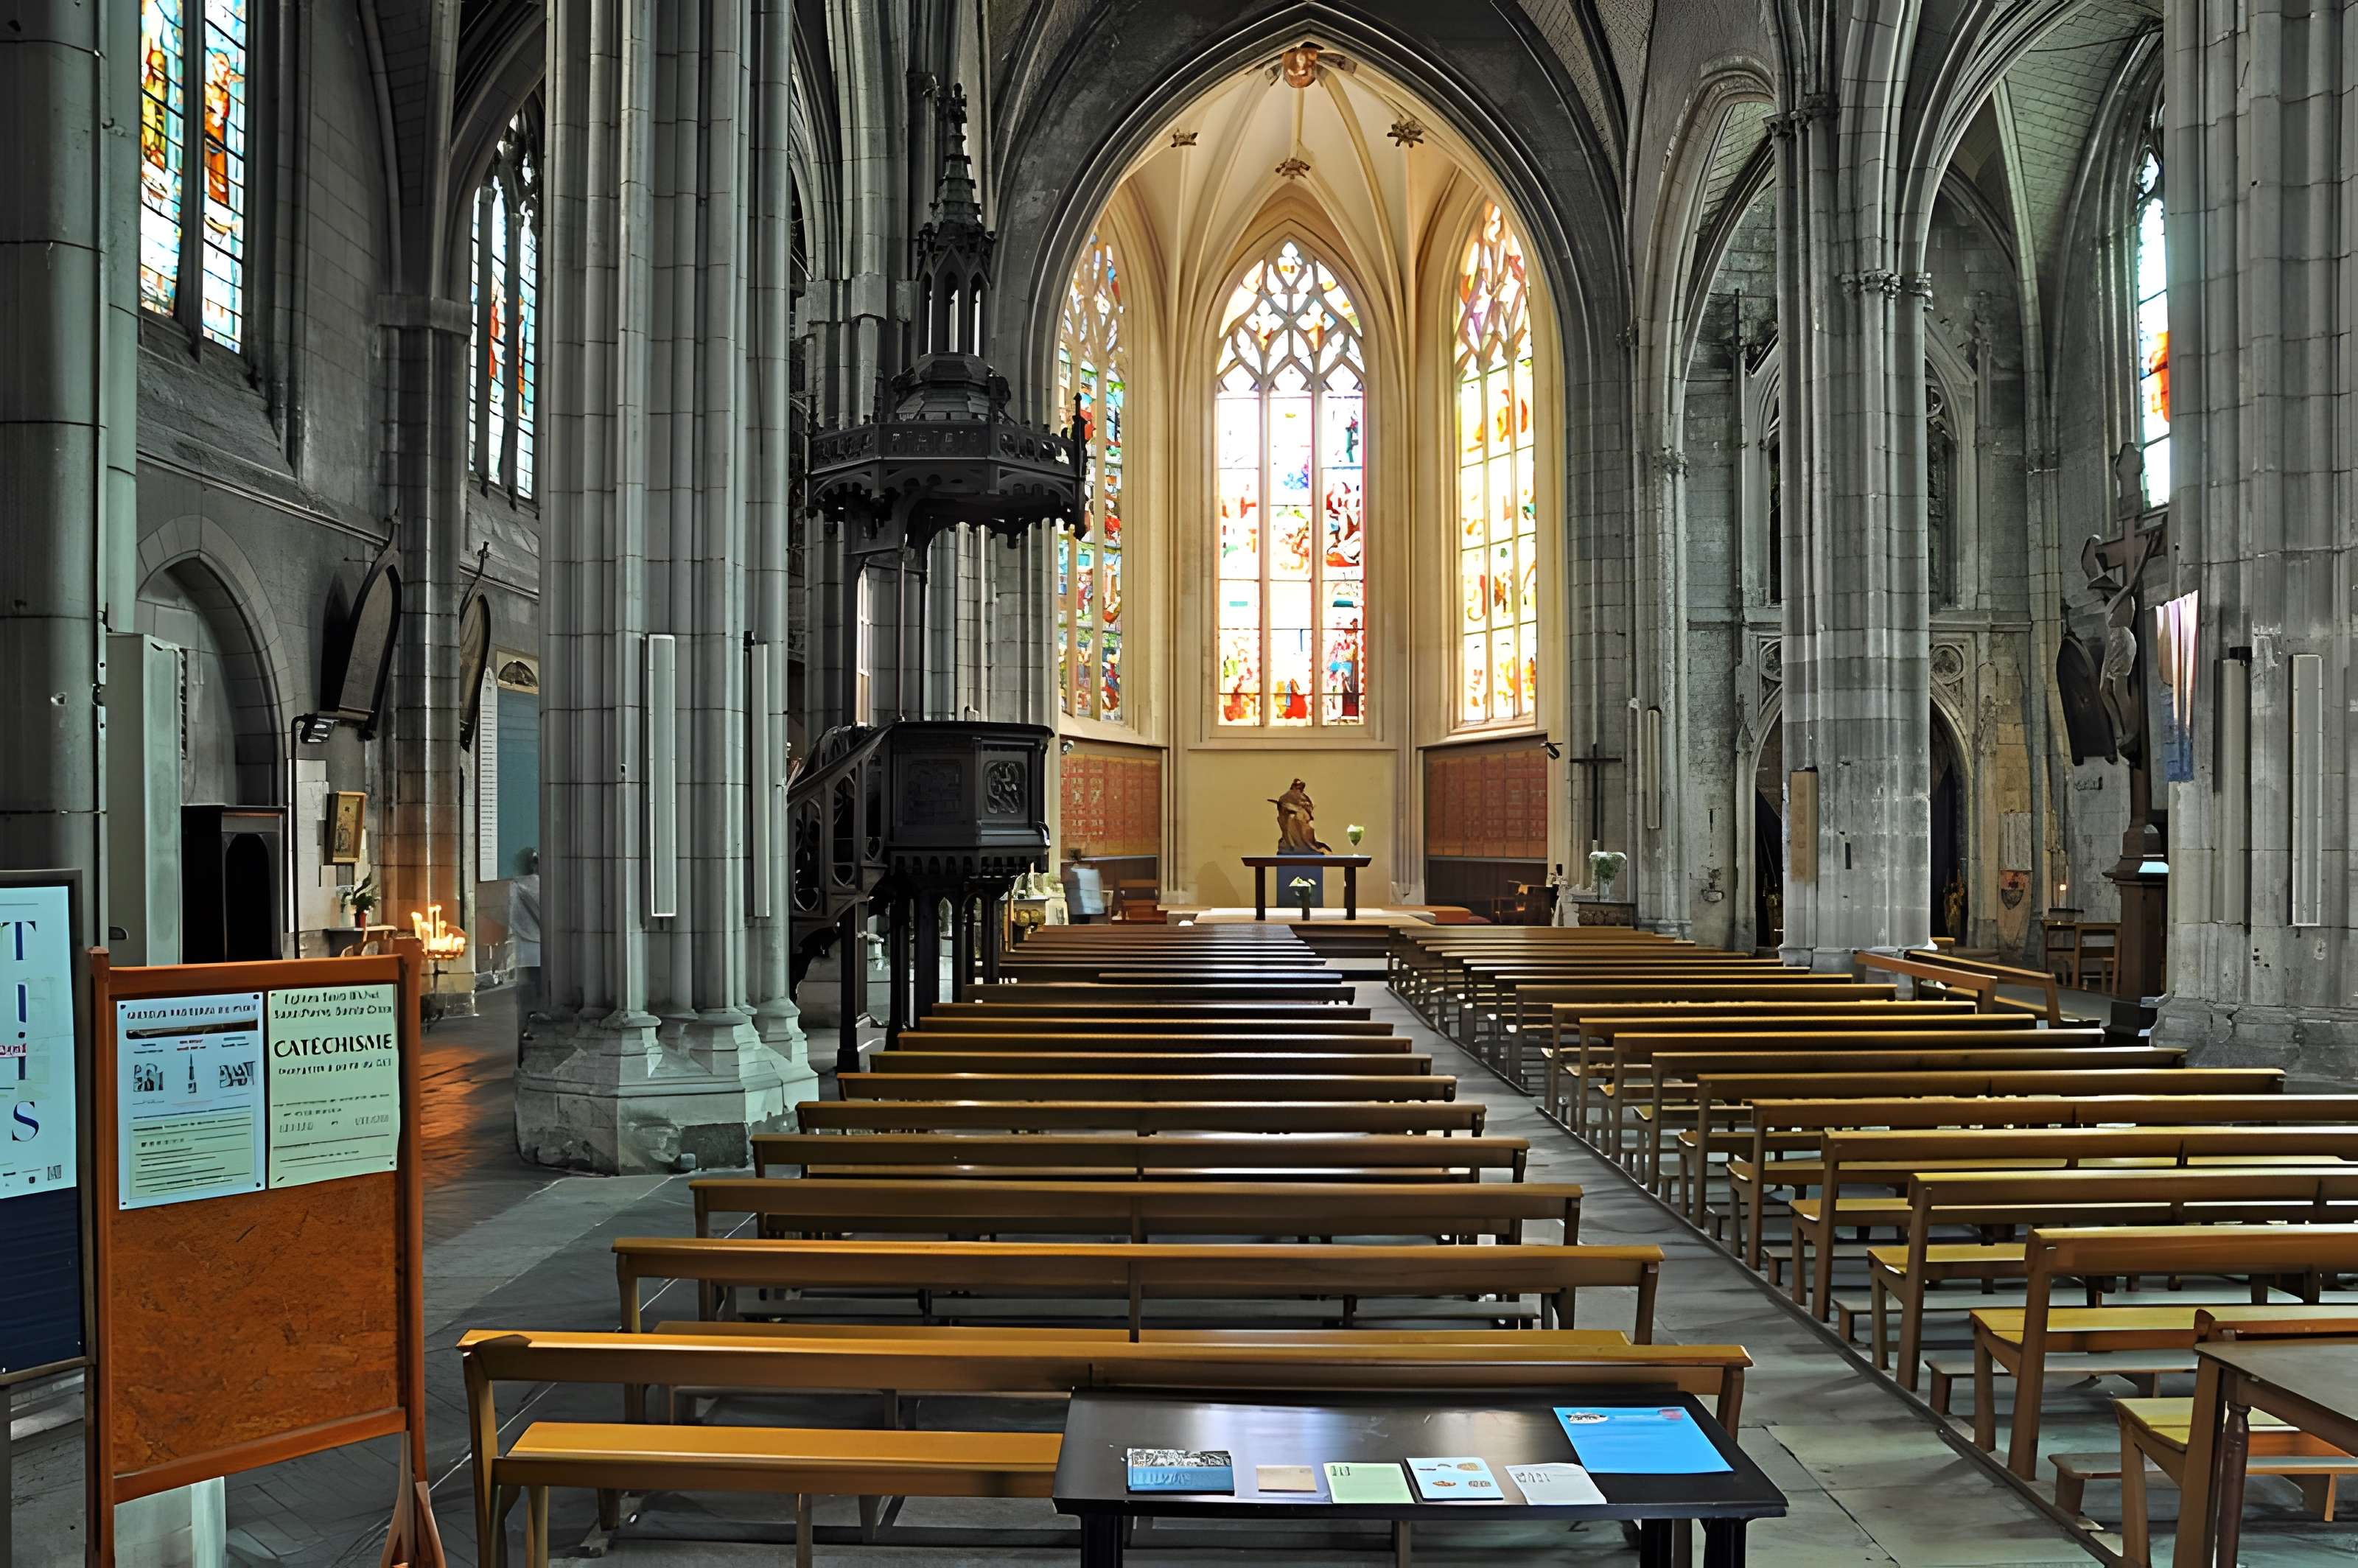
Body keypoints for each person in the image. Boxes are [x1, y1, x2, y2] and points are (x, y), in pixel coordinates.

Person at [511, 849, 542, 1043]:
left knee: (525, 1000)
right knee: (540, 995)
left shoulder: (515, 886)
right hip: (542, 952)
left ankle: (525, 1031)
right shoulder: (538, 886)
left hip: (524, 952)